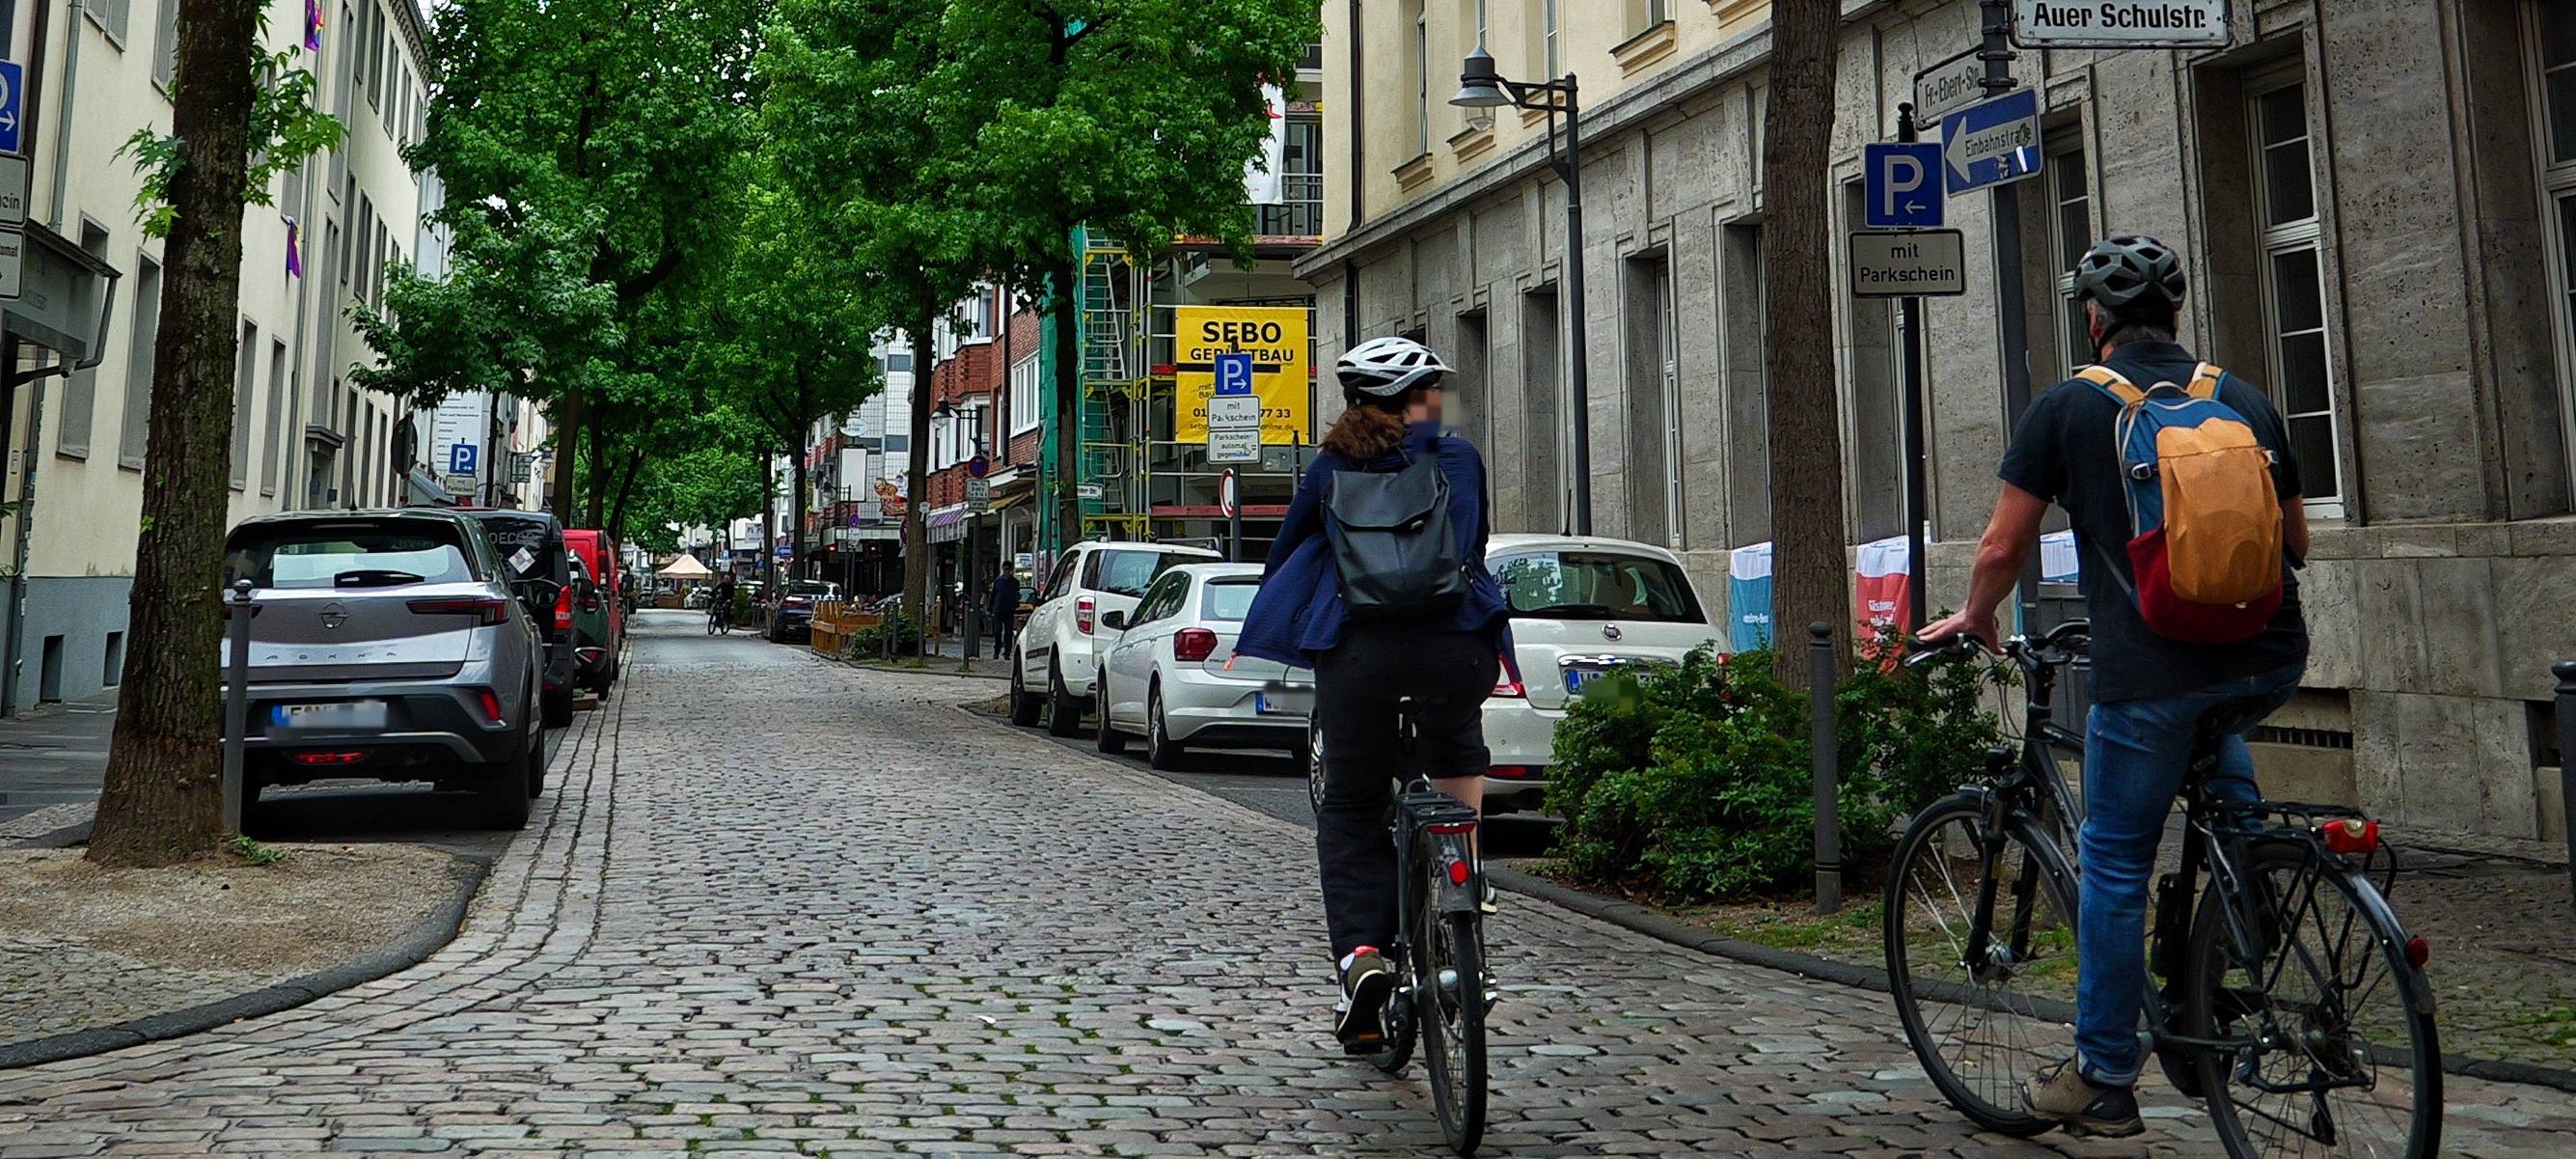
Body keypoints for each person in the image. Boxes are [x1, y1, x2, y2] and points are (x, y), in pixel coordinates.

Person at [1921, 235, 2311, 1137]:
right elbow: (2298, 542)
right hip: (2269, 657)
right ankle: (2237, 916)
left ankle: (2102, 1077)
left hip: (2149, 669)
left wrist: (1978, 615)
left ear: (2093, 321)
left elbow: (2001, 547)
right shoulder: (2240, 398)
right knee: (2222, 780)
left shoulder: (2067, 407)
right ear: (2178, 313)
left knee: (2115, 859)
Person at [1237, 335, 1510, 1054]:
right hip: (1455, 647)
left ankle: (1363, 955)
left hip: (1360, 655)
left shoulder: (1329, 466)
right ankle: (1463, 885)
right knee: (1456, 752)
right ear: (1424, 402)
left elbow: (1288, 551)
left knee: (1354, 802)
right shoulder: (1459, 458)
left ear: (1355, 401)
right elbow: (1474, 545)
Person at [986, 568, 1021, 659]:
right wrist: (990, 608)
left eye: (1008, 570)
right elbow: (993, 595)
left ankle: (1007, 653)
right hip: (998, 610)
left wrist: (1015, 606)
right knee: (997, 631)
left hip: (1009, 610)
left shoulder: (1015, 582)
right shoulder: (998, 581)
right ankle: (997, 651)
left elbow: (1017, 595)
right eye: (1005, 570)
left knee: (1008, 633)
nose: (1007, 572)